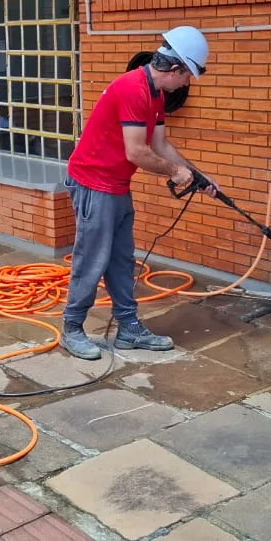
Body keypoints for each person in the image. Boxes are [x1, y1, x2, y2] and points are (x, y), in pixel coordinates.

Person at [59, 26, 215, 360]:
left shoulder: (155, 94)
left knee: (120, 259)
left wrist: (197, 176)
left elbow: (160, 144)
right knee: (91, 259)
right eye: (187, 77)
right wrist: (175, 172)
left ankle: (129, 329)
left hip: (115, 185)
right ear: (175, 70)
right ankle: (71, 329)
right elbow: (137, 152)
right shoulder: (132, 89)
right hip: (93, 182)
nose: (186, 85)